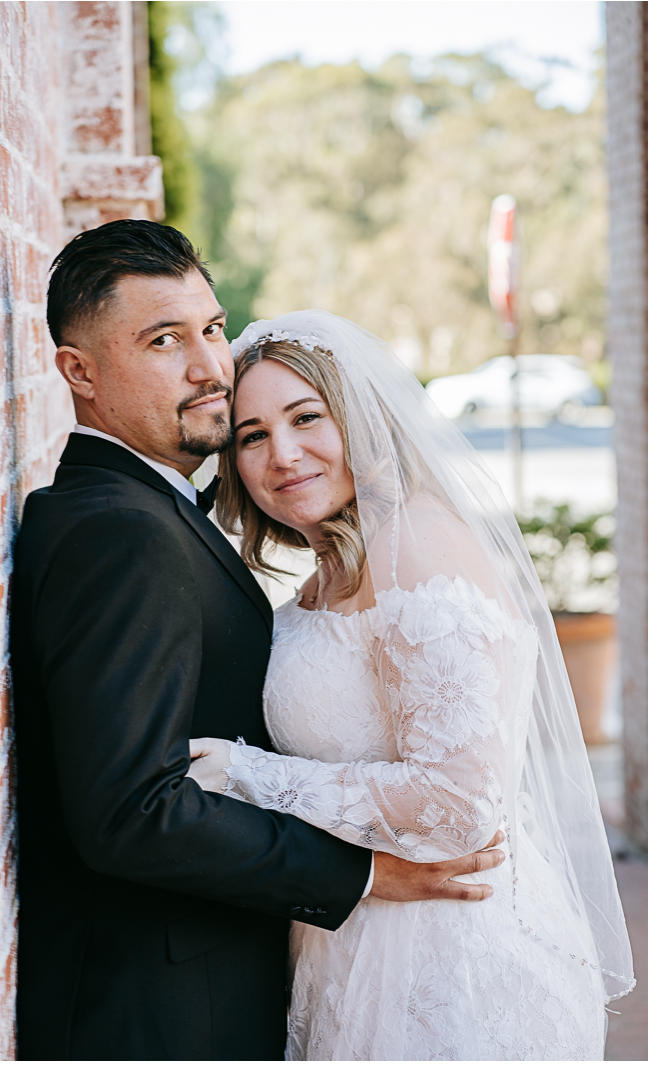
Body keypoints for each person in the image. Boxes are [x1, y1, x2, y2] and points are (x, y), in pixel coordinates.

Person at [9, 221, 505, 1061]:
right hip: (157, 1007)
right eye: (164, 340)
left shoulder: (152, 511)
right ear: (78, 372)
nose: (210, 366)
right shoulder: (121, 532)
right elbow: (133, 810)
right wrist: (363, 874)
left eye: (210, 328)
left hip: (359, 955)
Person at [187, 310, 636, 1060]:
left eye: (306, 418)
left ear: (361, 419)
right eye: (252, 435)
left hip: (451, 959)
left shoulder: (416, 545)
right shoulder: (331, 569)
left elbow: (460, 804)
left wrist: (245, 775)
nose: (283, 454)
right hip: (356, 933)